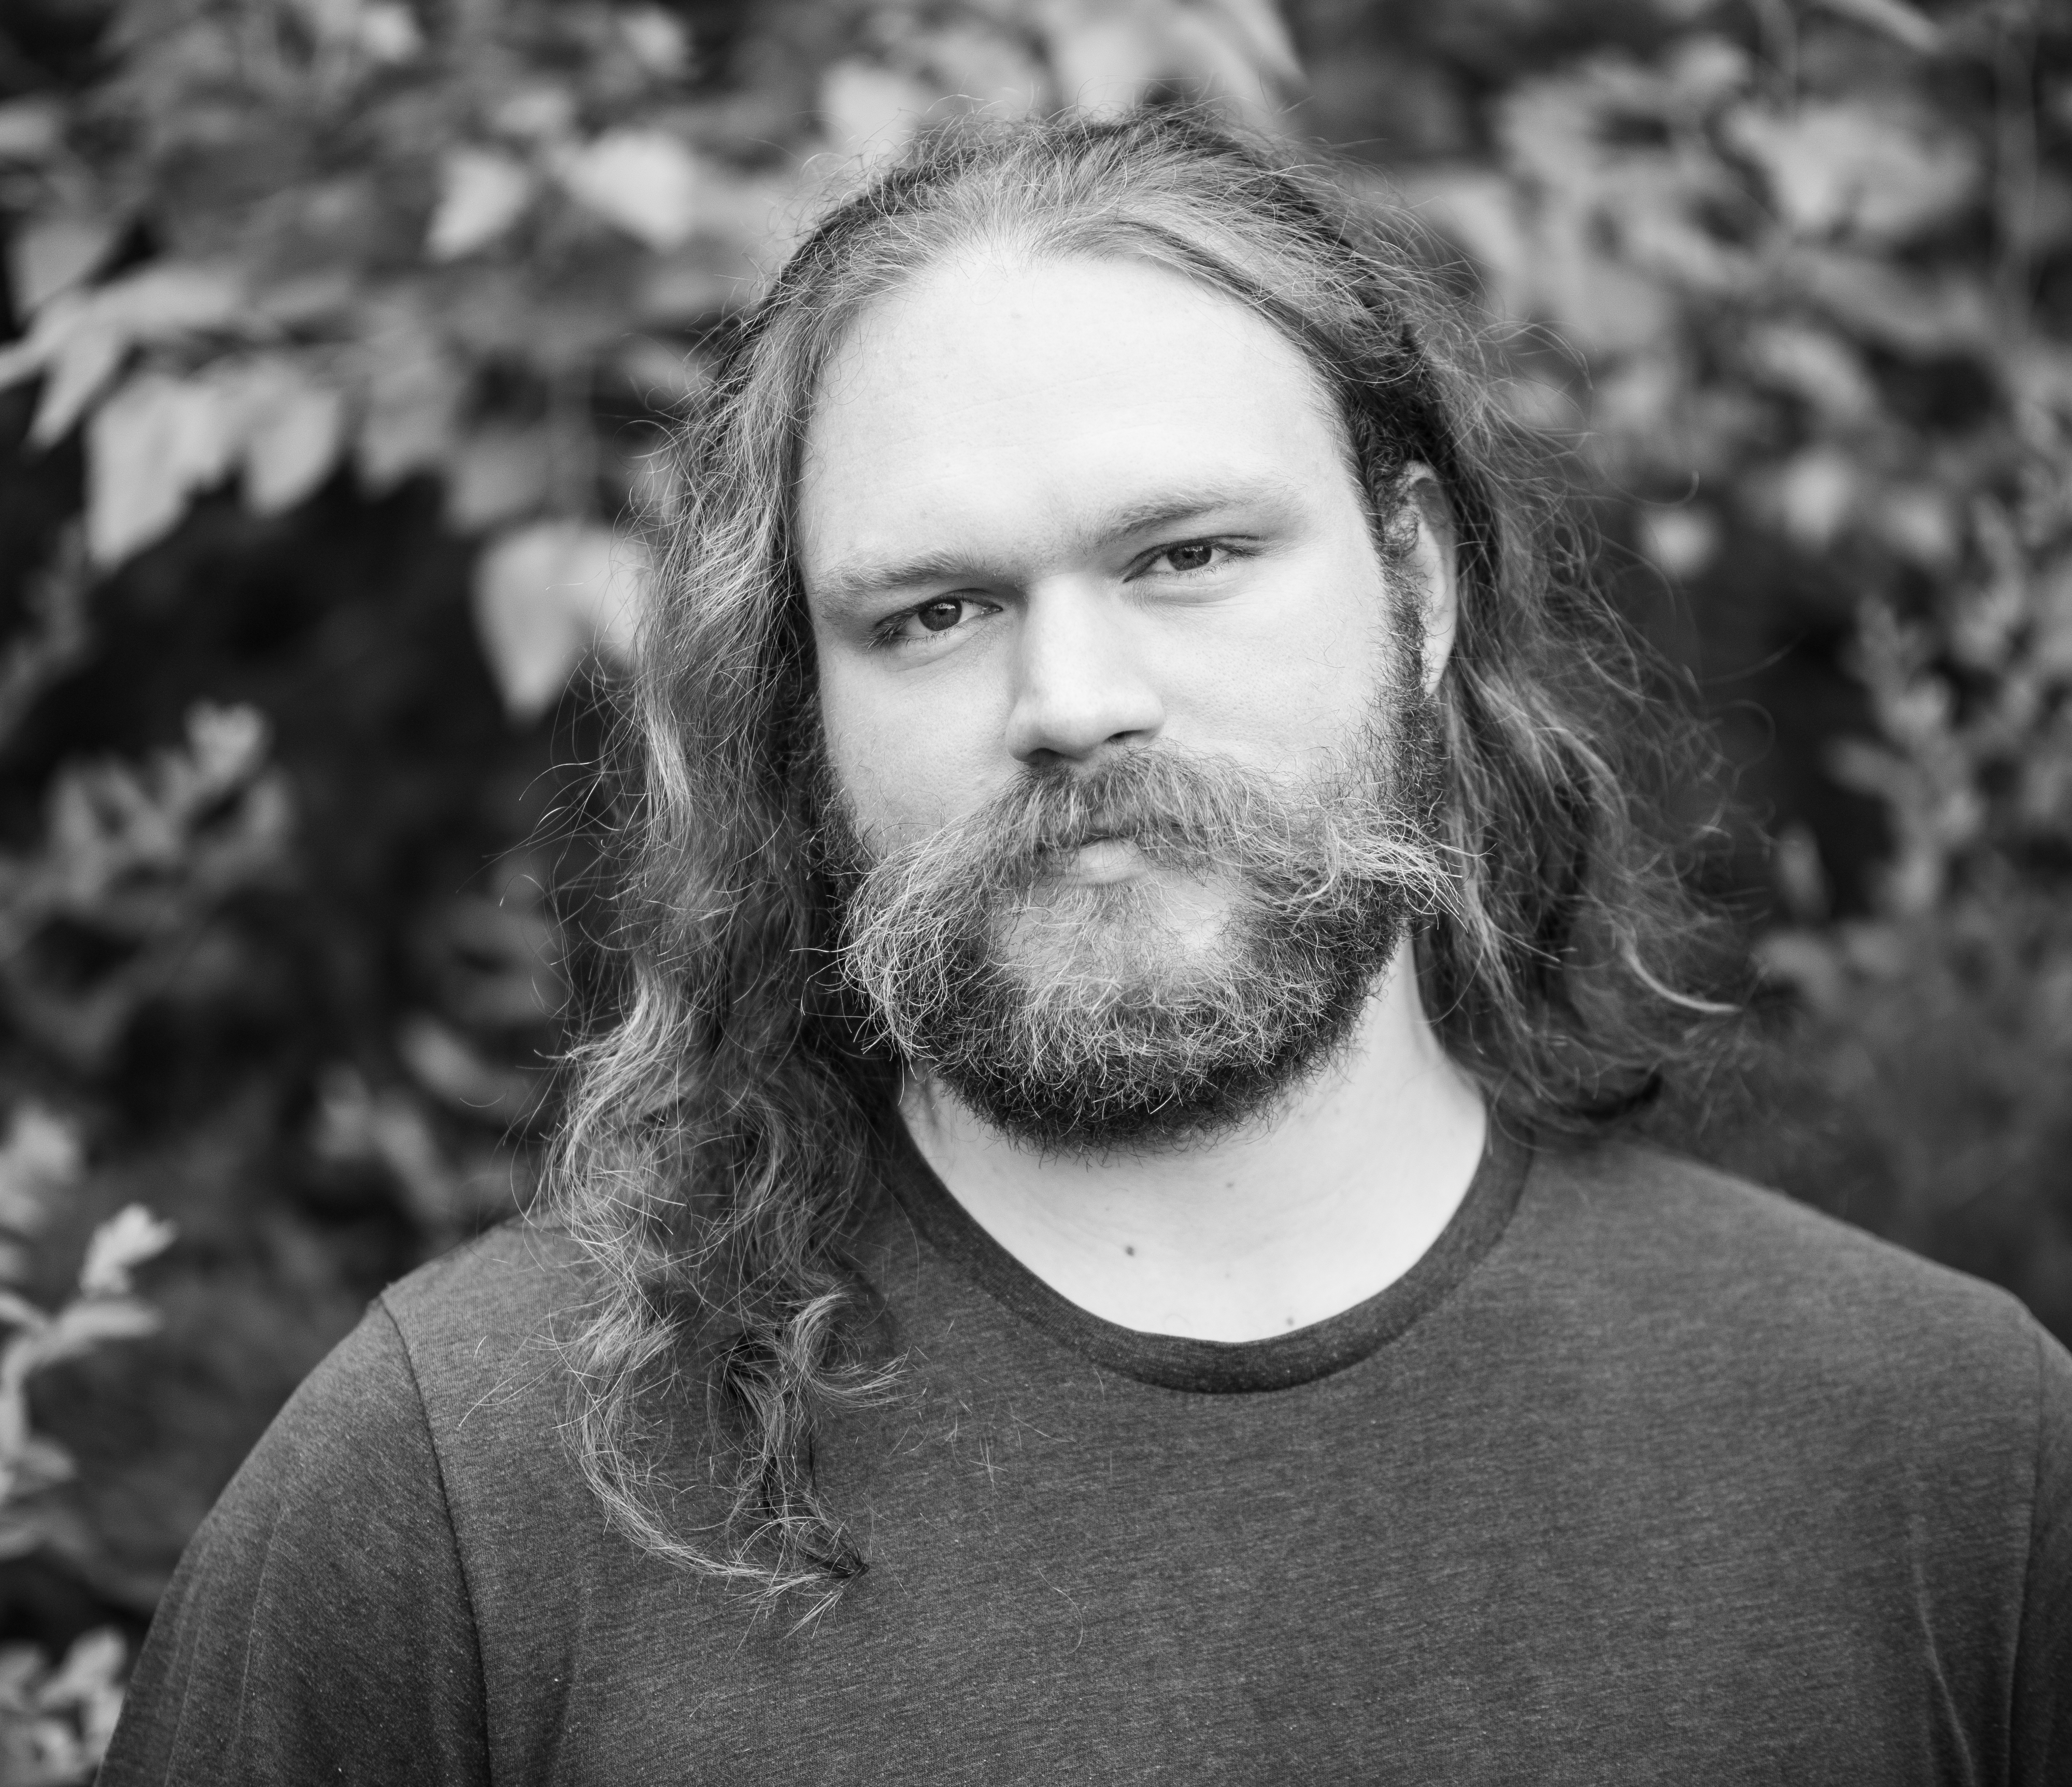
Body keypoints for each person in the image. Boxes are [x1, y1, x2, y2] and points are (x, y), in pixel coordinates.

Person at [100, 112, 2071, 1785]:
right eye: (935, 612)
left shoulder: (1943, 1460)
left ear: (1422, 578)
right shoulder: (466, 1497)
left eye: (1187, 555)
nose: (1071, 697)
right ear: (804, 712)